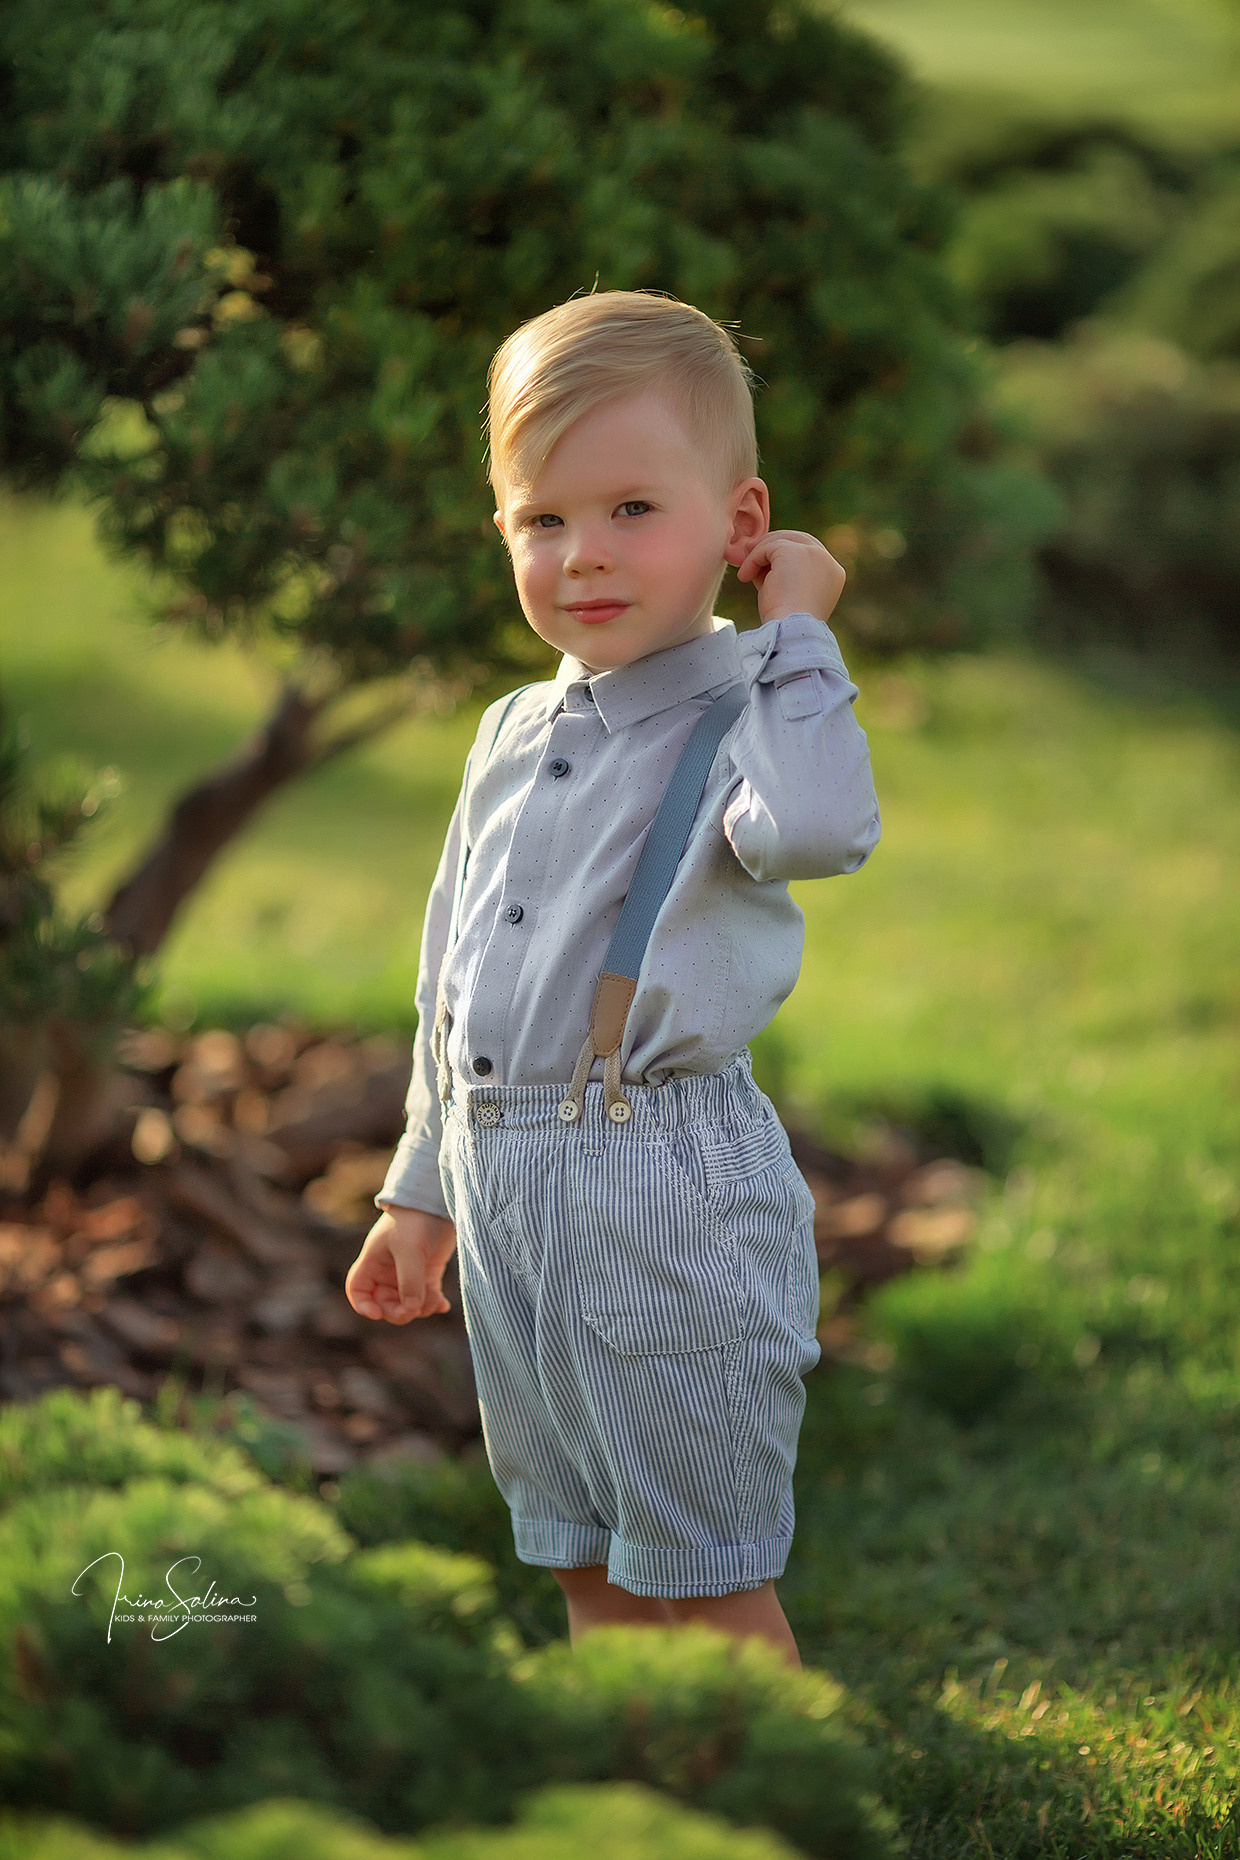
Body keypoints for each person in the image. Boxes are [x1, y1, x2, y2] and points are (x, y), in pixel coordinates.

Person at [346, 290, 880, 1670]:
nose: (583, 555)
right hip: (508, 1184)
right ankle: (634, 1786)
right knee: (577, 1544)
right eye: (543, 518)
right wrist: (422, 1187)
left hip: (665, 1195)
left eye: (634, 509)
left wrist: (801, 633)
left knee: (703, 1565)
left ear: (741, 524)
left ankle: (761, 1789)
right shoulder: (509, 730)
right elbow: (448, 975)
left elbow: (819, 831)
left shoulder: (749, 711)